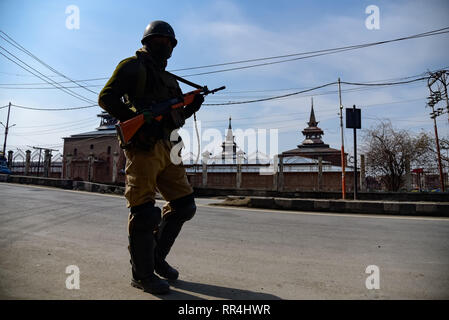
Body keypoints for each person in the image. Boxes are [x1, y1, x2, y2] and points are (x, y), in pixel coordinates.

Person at [98, 20, 204, 294]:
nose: (167, 46)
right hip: (143, 146)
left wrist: (192, 106)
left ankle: (156, 259)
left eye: (170, 43)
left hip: (170, 144)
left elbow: (176, 115)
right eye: (162, 41)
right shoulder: (131, 66)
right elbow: (107, 98)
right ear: (149, 41)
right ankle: (142, 275)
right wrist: (136, 118)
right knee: (145, 212)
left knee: (184, 206)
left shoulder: (170, 79)